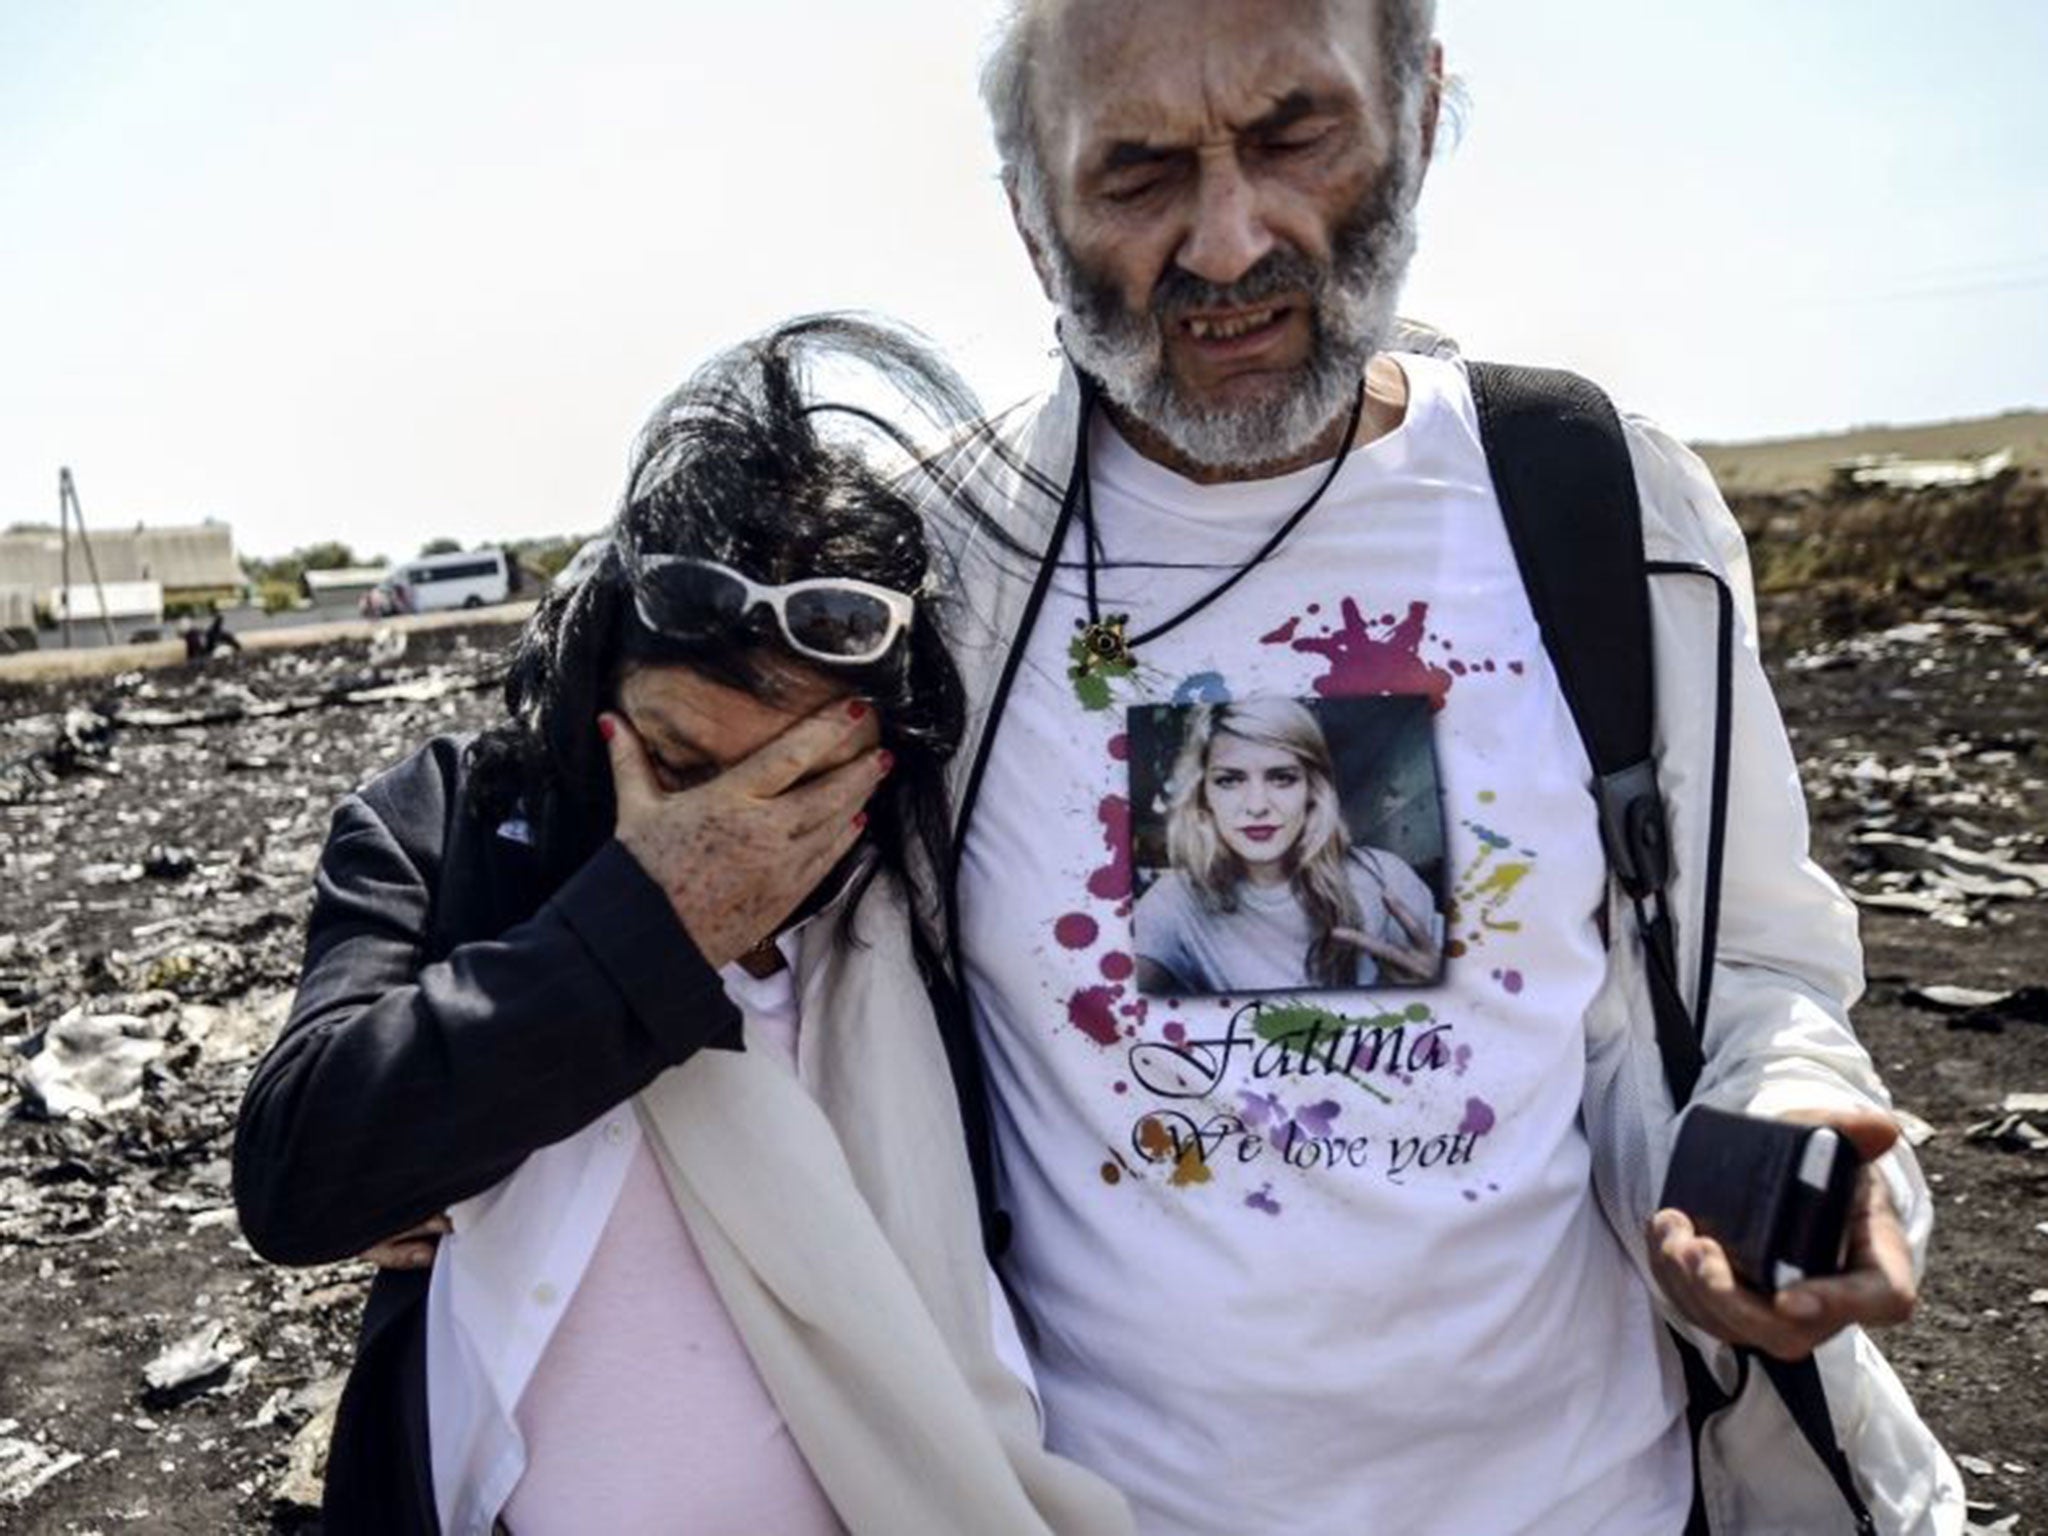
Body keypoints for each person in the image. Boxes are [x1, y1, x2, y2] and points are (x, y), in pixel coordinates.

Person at [932, 1, 1964, 1531]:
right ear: (1029, 212)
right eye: (1136, 175)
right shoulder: (943, 579)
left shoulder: (1604, 506)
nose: (1229, 243)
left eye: (1297, 138)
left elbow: (1754, 969)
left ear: (1418, 113)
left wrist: (1800, 1142)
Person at [232, 317, 1132, 1536]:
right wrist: (643, 926)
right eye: (672, 762)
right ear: (593, 688)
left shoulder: (936, 871)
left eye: (792, 785)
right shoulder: (452, 833)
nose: (732, 834)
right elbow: (302, 1176)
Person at [1132, 694, 1441, 994]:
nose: (1256, 806)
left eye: (1282, 778)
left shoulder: (1385, 878)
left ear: (1312, 789)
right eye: (1229, 780)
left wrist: (1435, 987)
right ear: (1204, 795)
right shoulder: (1172, 903)